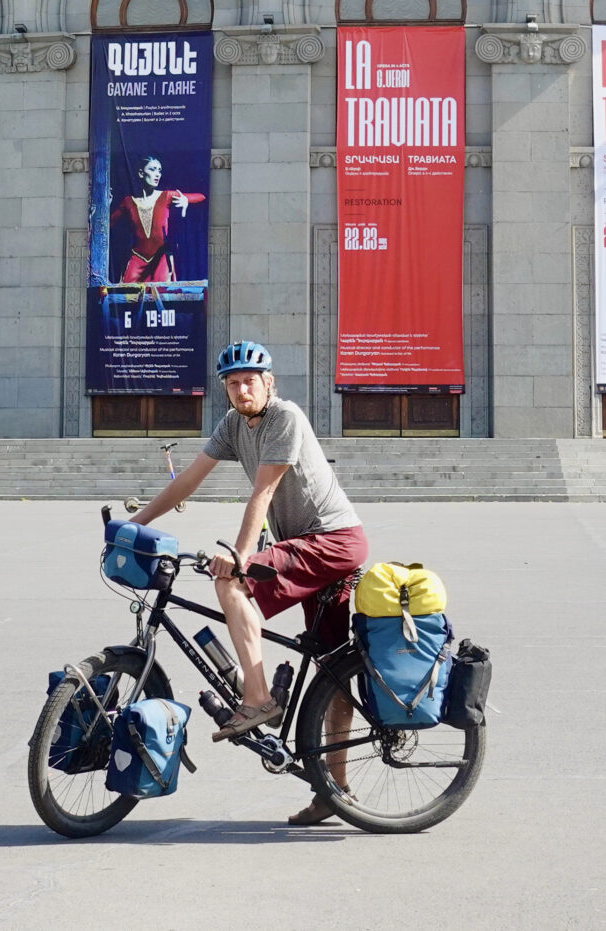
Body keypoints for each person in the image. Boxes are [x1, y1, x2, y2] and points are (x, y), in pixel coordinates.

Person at [127, 340, 367, 825]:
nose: (241, 389)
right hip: (310, 546)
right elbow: (187, 482)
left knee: (232, 586)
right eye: (232, 383)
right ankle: (335, 790)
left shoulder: (286, 418)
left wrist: (240, 556)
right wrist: (136, 528)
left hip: (333, 540)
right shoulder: (234, 425)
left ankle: (257, 700)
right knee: (333, 671)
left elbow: (264, 492)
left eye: (249, 380)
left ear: (268, 383)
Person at [111, 154, 205, 284]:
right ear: (141, 173)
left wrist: (185, 200)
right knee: (128, 295)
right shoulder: (128, 202)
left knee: (159, 295)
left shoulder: (166, 196)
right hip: (138, 258)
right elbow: (108, 224)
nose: (157, 174)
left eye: (159, 170)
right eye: (153, 169)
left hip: (160, 258)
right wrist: (106, 205)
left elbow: (201, 197)